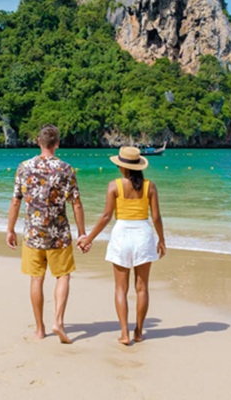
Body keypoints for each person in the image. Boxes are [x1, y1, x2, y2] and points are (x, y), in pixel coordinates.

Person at [78, 146, 166, 345]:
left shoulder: (114, 186)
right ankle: (139, 332)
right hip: (143, 234)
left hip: (122, 235)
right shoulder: (149, 186)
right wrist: (161, 240)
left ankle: (125, 333)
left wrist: (88, 238)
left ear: (122, 167)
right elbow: (156, 217)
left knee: (121, 288)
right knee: (142, 288)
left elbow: (106, 216)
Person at [6, 124, 86, 344]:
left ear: (38, 142)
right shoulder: (66, 169)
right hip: (59, 234)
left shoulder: (23, 167)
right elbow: (76, 204)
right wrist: (82, 233)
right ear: (57, 143)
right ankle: (58, 321)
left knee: (36, 279)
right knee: (63, 276)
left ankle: (40, 329)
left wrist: (10, 229)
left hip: (33, 234)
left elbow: (15, 200)